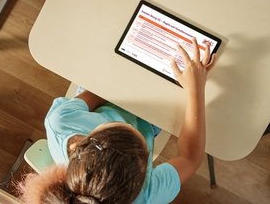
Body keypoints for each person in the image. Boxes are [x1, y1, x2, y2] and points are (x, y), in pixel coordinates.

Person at [18, 38, 217, 204]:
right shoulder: (145, 196)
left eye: (120, 126)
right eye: (143, 145)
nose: (130, 124)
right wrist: (195, 88)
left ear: (81, 142)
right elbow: (190, 158)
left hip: (107, 94)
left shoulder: (60, 122)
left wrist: (126, 74)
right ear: (140, 176)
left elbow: (96, 93)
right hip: (148, 119)